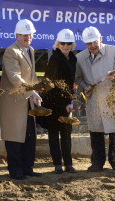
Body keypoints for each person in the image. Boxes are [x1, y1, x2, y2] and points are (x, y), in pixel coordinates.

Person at [75, 26, 115, 172]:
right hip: (94, 100)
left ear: (100, 39)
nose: (92, 46)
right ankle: (97, 162)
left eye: (94, 42)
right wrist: (84, 86)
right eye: (88, 43)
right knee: (96, 133)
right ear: (85, 44)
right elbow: (78, 78)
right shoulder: (80, 58)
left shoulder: (113, 51)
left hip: (113, 99)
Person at [0, 19, 42, 180]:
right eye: (24, 34)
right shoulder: (11, 52)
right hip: (14, 102)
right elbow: (15, 77)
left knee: (29, 136)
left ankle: (27, 168)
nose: (27, 37)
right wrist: (31, 92)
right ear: (17, 35)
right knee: (15, 138)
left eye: (30, 34)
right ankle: (16, 172)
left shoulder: (30, 49)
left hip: (27, 100)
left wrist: (36, 90)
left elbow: (32, 76)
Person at [39, 29, 77, 174]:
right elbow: (53, 84)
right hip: (53, 101)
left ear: (72, 44)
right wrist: (65, 103)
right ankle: (57, 164)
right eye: (62, 43)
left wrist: (70, 101)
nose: (65, 46)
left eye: (68, 43)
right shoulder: (55, 59)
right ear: (58, 44)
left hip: (66, 100)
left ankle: (68, 163)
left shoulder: (73, 58)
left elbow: (70, 82)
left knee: (66, 133)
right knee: (54, 133)